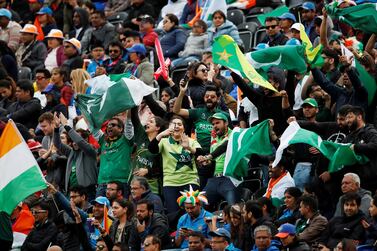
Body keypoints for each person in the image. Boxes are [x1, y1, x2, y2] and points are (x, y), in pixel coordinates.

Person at [148, 115, 203, 213]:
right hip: (170, 182)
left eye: (179, 124)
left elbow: (201, 154)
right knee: (173, 213)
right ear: (169, 127)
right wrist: (160, 135)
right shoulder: (164, 142)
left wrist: (189, 148)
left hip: (190, 181)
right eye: (173, 124)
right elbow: (152, 149)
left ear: (183, 128)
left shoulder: (191, 141)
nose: (176, 126)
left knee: (191, 211)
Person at [53, 112, 98, 199]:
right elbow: (57, 144)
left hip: (87, 192)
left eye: (75, 140)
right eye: (72, 140)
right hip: (72, 193)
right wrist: (56, 128)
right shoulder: (71, 152)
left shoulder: (90, 151)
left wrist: (67, 125)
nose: (74, 143)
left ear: (85, 140)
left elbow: (79, 141)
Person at [198, 112, 237, 206]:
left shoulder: (234, 134)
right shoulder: (214, 138)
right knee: (198, 203)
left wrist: (208, 157)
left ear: (226, 123)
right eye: (213, 124)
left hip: (230, 179)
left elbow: (225, 146)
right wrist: (207, 163)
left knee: (234, 208)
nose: (214, 126)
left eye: (217, 123)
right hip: (215, 179)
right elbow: (214, 160)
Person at [92, 116, 133, 199]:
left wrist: (130, 108)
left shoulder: (126, 140)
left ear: (121, 129)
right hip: (103, 184)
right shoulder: (103, 141)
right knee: (100, 210)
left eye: (113, 125)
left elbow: (129, 124)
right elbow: (93, 128)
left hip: (121, 183)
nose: (109, 127)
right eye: (108, 126)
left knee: (120, 210)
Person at [342, 106, 377, 193]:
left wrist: (356, 147)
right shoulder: (347, 138)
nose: (347, 121)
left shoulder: (370, 131)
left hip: (369, 180)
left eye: (350, 117)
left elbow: (375, 145)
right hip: (352, 182)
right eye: (346, 118)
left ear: (359, 117)